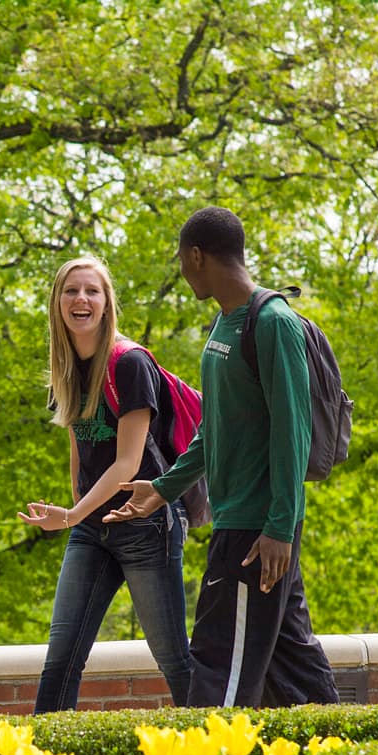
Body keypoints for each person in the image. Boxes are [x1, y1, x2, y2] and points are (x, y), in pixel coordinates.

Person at [106, 208, 338, 709]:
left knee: (217, 675)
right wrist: (164, 487)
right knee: (293, 667)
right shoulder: (224, 324)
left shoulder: (273, 323)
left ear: (197, 255)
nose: (184, 271)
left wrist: (279, 528)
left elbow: (292, 433)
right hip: (245, 522)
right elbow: (215, 427)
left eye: (183, 261)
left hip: (256, 532)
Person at [18, 256, 194, 713]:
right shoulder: (66, 366)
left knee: (174, 659)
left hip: (146, 522)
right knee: (61, 660)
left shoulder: (129, 362)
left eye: (91, 291)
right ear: (57, 302)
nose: (81, 299)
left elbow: (127, 463)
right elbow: (79, 439)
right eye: (71, 291)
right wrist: (79, 507)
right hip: (93, 528)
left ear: (106, 302)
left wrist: (74, 514)